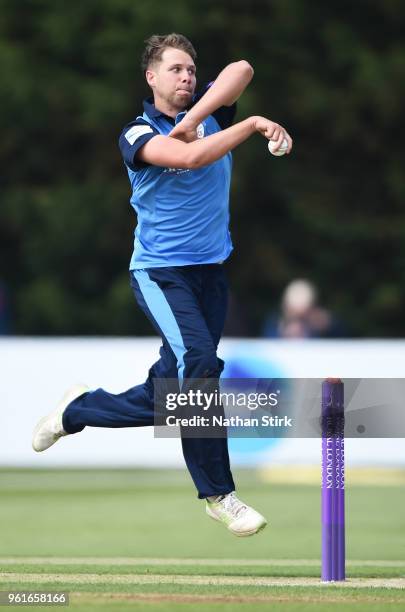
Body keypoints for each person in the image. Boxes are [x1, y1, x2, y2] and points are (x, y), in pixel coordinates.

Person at [32, 33, 292, 536]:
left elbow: (241, 66)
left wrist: (196, 118)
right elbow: (189, 158)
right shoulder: (135, 132)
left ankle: (78, 409)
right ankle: (219, 493)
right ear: (151, 78)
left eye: (192, 70)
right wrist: (254, 123)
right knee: (199, 363)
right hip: (160, 274)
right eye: (175, 70)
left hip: (211, 274)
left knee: (167, 395)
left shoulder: (207, 111)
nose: (187, 77)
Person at [262, 279, 345, 338]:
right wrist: (283, 333)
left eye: (303, 316)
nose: (299, 319)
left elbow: (343, 341)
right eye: (294, 314)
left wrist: (328, 325)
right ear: (285, 307)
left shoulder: (324, 325)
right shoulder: (274, 325)